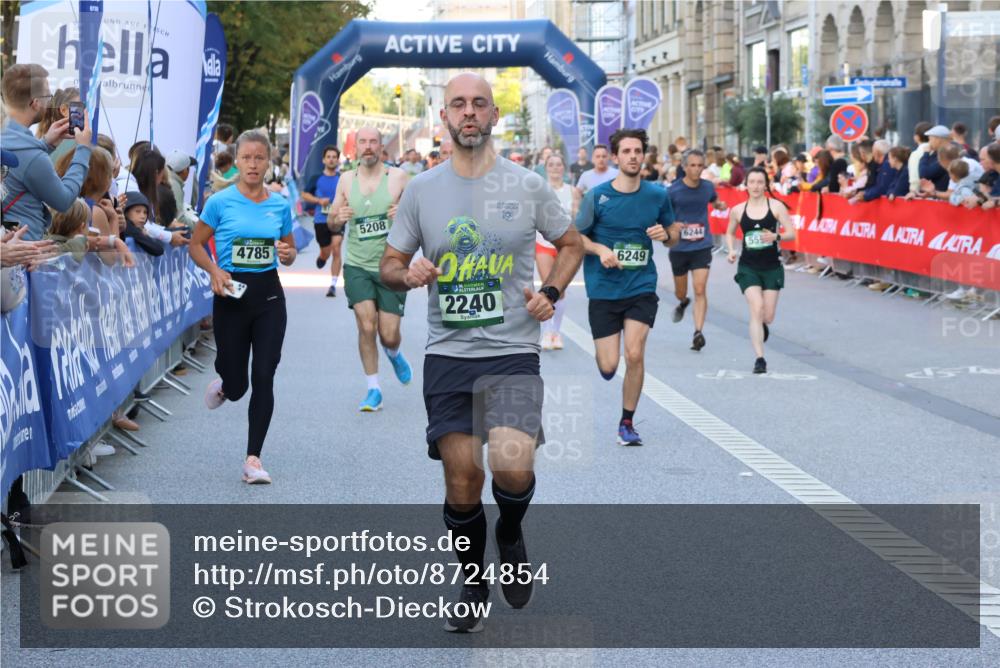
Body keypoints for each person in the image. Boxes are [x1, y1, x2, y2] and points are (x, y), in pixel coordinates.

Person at [380, 73, 583, 633]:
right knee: (462, 478)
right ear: (444, 117)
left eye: (479, 104)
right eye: (458, 105)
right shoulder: (422, 190)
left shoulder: (527, 184)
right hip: (449, 356)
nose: (468, 113)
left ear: (494, 116)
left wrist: (550, 293)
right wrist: (408, 272)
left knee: (514, 469)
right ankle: (472, 578)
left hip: (513, 352)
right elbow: (389, 266)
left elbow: (570, 246)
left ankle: (511, 533)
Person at [189, 130, 298, 485]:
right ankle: (225, 385)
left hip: (268, 297)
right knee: (238, 386)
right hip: (231, 296)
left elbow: (290, 251)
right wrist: (215, 270)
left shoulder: (279, 205)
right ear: (236, 161)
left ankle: (253, 459)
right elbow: (195, 246)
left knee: (264, 374)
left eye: (259, 158)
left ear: (269, 162)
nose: (253, 164)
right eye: (247, 157)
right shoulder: (220, 202)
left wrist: (288, 253)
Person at [576, 128, 678, 446]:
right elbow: (575, 237)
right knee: (608, 365)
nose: (633, 156)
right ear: (616, 157)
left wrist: (667, 235)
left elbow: (673, 230)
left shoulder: (657, 195)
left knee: (634, 354)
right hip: (604, 289)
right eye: (627, 151)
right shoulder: (598, 196)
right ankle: (607, 367)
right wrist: (600, 250)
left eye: (638, 151)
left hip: (641, 286)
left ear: (643, 156)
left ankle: (627, 422)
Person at [330, 127, 412, 412]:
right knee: (366, 325)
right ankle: (373, 389)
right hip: (357, 266)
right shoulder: (345, 180)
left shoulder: (399, 177)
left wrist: (403, 213)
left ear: (381, 146)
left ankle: (394, 351)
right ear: (355, 148)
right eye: (362, 142)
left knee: (388, 333)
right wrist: (337, 218)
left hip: (392, 265)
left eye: (372, 142)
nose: (367, 147)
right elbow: (331, 220)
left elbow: (417, 215)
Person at [1, 63, 94, 240]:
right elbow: (63, 200)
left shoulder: (9, 137)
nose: (50, 101)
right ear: (35, 103)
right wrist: (83, 148)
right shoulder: (32, 156)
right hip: (22, 253)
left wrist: (46, 144)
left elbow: (22, 167)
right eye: (47, 96)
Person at [725, 166, 797, 375]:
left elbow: (791, 233)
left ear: (766, 185)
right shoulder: (738, 210)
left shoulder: (776, 207)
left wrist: (776, 237)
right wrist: (731, 250)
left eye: (759, 182)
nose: (755, 186)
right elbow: (730, 232)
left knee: (768, 316)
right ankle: (760, 358)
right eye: (752, 182)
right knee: (756, 308)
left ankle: (762, 325)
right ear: (746, 184)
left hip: (772, 267)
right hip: (748, 267)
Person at [667, 150, 726, 352]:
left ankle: (698, 332)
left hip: (701, 245)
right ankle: (683, 302)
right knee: (680, 292)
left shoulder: (708, 187)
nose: (696, 169)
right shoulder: (673, 191)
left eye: (700, 165)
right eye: (692, 165)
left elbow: (714, 200)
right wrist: (672, 224)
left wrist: (719, 204)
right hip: (679, 248)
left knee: (700, 289)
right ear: (684, 167)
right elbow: (663, 216)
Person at [537, 152, 573, 351]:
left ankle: (556, 332)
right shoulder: (539, 190)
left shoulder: (572, 191)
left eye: (559, 164)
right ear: (546, 167)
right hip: (543, 243)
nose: (555, 168)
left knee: (561, 290)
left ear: (563, 168)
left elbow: (578, 219)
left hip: (565, 246)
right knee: (547, 286)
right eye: (551, 164)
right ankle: (546, 332)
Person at [301, 145, 343, 296]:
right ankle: (322, 257)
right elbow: (304, 194)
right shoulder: (316, 178)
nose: (331, 160)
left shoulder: (342, 178)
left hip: (338, 219)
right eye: (329, 157)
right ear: (324, 160)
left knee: (337, 248)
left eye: (334, 157)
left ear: (338, 160)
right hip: (321, 220)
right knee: (327, 251)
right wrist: (319, 201)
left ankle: (333, 285)